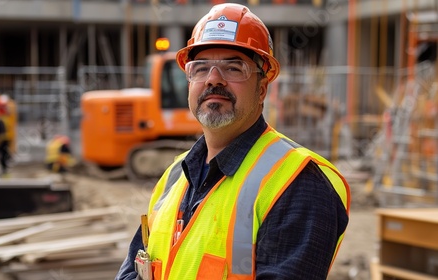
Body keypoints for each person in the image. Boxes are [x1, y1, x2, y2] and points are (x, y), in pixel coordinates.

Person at [116, 3, 350, 280]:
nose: (214, 79)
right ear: (189, 82)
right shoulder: (174, 177)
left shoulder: (299, 183)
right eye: (201, 68)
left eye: (233, 68)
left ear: (261, 89)